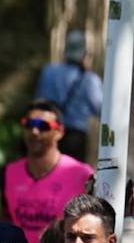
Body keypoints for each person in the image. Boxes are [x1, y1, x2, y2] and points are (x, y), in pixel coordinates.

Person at [0, 100, 93, 243]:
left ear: (59, 131)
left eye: (43, 126)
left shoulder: (82, 175)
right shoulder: (8, 173)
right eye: (29, 124)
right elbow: (6, 220)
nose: (34, 131)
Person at [34, 31, 102, 162]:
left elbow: (38, 104)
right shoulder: (90, 80)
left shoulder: (49, 72)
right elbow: (100, 110)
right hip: (75, 137)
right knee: (73, 178)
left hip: (49, 132)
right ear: (84, 53)